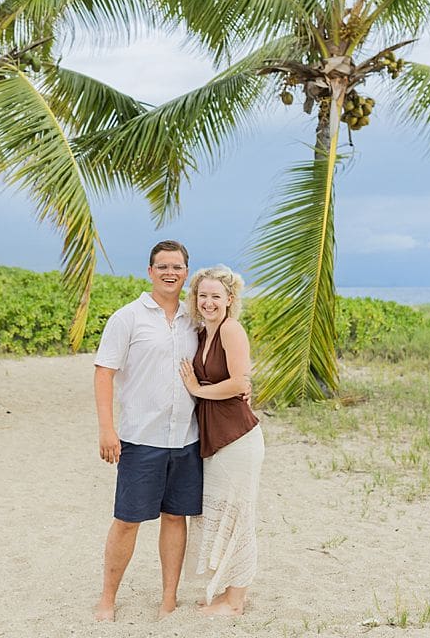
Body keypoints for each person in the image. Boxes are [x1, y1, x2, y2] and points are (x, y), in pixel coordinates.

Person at [92, 240, 201, 622]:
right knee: (127, 520)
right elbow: (104, 373)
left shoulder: (195, 320)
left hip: (187, 439)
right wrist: (107, 430)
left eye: (177, 266)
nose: (170, 273)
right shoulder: (128, 318)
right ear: (150, 271)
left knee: (175, 517)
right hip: (141, 438)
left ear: (186, 272)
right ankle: (107, 599)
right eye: (163, 266)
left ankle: (169, 599)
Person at [178, 264, 264, 616]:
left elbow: (240, 382)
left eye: (216, 296)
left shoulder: (230, 329)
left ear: (230, 299)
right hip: (215, 438)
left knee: (238, 515)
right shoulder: (203, 332)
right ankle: (226, 593)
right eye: (203, 296)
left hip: (237, 438)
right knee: (221, 513)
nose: (208, 302)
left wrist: (197, 389)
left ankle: (235, 601)